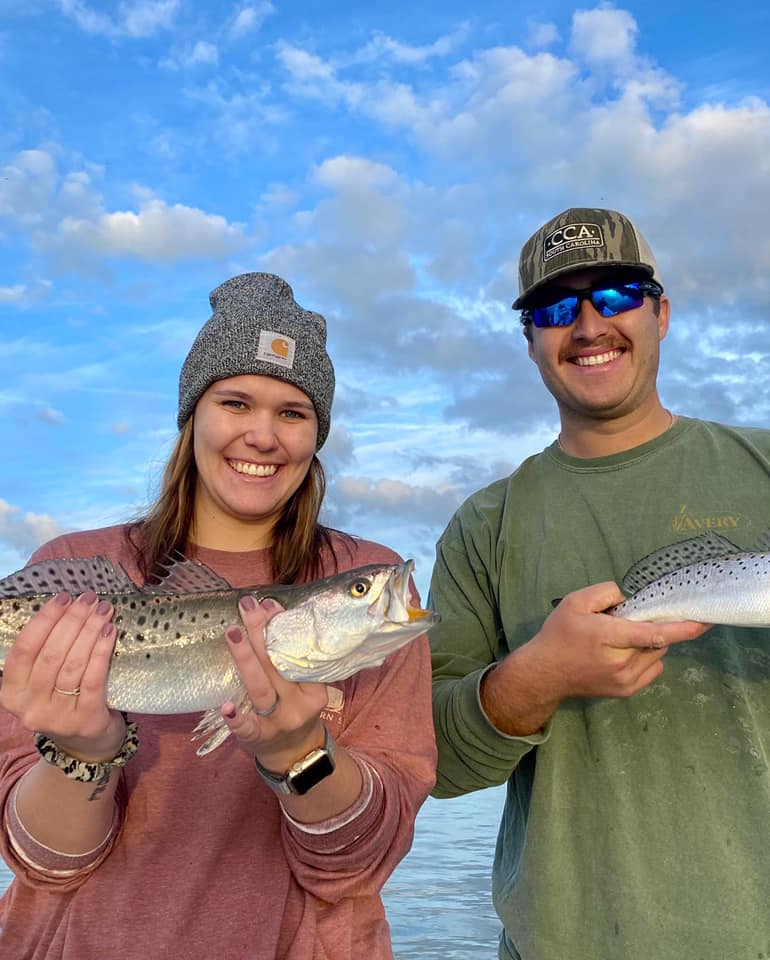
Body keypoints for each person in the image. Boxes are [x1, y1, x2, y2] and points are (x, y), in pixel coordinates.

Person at [0, 272, 436, 959]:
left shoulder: (379, 611)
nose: (263, 435)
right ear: (192, 415)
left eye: (293, 413)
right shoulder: (68, 576)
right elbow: (44, 864)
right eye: (236, 402)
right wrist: (81, 754)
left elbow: (360, 865)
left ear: (317, 435)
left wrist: (299, 756)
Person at [429, 208, 770, 960]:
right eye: (555, 307)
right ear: (530, 342)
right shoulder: (485, 525)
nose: (588, 325)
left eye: (615, 295)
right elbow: (429, 762)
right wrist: (534, 679)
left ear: (662, 314)